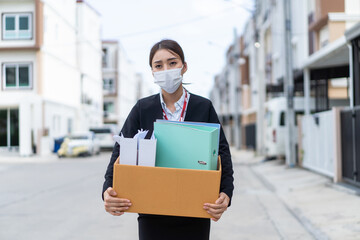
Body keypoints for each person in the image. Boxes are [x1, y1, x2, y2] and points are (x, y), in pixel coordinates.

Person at [102, 39, 234, 240]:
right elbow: (120, 150)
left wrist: (225, 192)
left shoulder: (203, 107)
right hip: (152, 214)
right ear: (153, 72)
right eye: (158, 65)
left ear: (184, 67)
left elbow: (221, 153)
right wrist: (107, 190)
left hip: (195, 212)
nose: (166, 69)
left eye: (172, 63)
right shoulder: (142, 108)